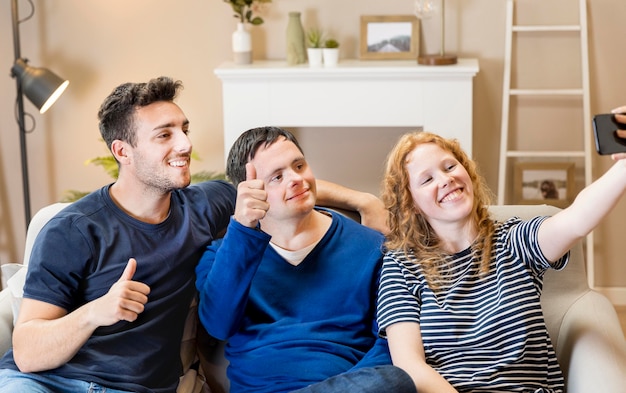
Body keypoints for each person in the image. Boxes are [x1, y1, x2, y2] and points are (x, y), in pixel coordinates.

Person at [0, 77, 388, 393]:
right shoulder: (73, 229)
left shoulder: (207, 204)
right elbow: (29, 353)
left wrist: (364, 200)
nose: (186, 145)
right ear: (123, 151)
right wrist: (94, 313)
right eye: (164, 135)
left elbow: (280, 183)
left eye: (184, 129)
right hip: (45, 383)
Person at [376, 130, 626, 393]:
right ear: (411, 203)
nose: (446, 179)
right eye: (427, 180)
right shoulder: (401, 265)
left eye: (450, 166)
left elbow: (577, 219)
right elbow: (410, 365)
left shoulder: (515, 241)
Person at [195, 126, 416, 393]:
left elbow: (388, 343)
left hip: (347, 387)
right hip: (261, 389)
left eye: (299, 166)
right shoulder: (223, 254)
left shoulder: (372, 247)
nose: (295, 179)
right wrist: (242, 228)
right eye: (277, 176)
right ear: (250, 191)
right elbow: (218, 325)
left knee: (395, 379)